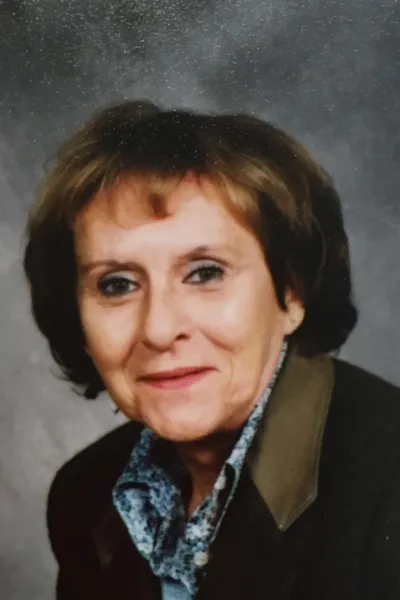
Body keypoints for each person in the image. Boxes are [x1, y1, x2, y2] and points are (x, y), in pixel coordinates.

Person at [23, 101, 400, 600]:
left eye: (205, 273)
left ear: (291, 293)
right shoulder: (85, 493)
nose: (160, 330)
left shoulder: (388, 484)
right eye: (117, 284)